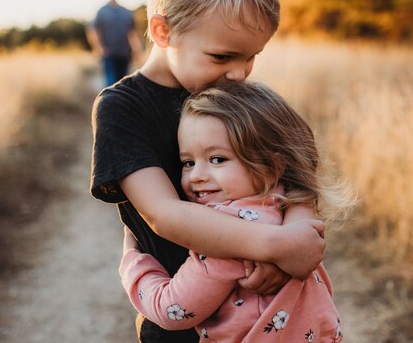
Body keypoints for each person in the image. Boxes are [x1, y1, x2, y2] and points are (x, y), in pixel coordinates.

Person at [91, 0, 326, 341]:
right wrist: (276, 246)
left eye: (251, 57)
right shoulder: (123, 108)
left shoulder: (234, 96)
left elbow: (297, 171)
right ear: (162, 31)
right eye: (222, 57)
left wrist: (295, 234)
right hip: (183, 322)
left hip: (270, 317)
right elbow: (164, 215)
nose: (239, 73)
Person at [119, 81, 351, 342]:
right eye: (188, 162)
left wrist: (134, 262)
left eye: (217, 159)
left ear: (271, 166)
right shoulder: (286, 206)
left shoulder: (227, 234)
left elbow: (171, 310)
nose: (197, 176)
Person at [86, 0, 142, 86]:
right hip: (109, 54)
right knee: (111, 84)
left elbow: (133, 33)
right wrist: (99, 48)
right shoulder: (102, 11)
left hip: (124, 54)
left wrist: (136, 49)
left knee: (123, 84)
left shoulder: (126, 12)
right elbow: (93, 30)